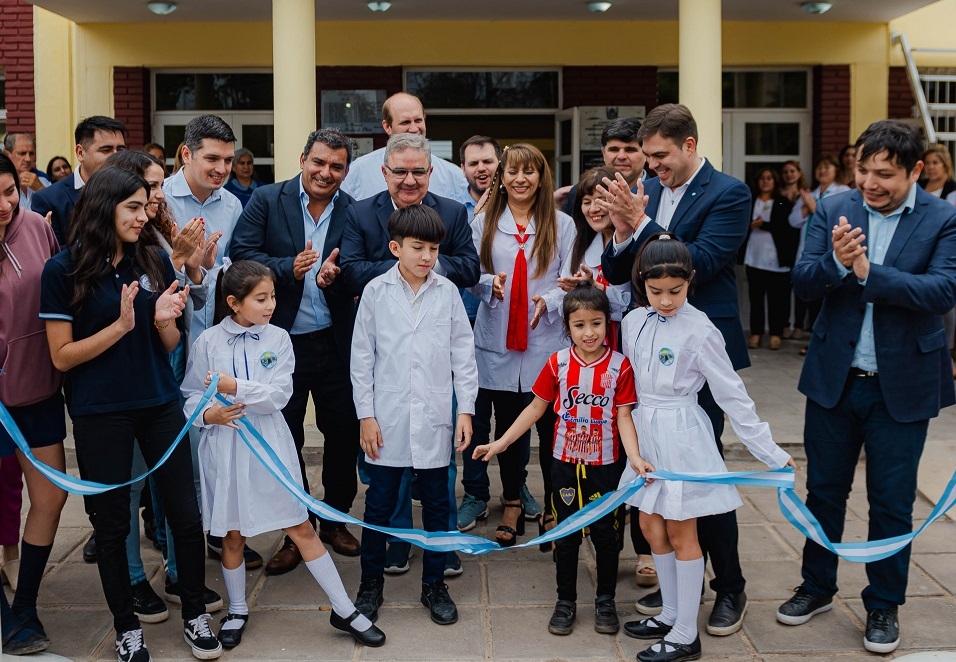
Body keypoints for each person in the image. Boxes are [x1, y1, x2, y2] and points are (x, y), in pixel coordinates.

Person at [776, 119, 956, 654]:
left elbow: (942, 291)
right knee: (823, 493)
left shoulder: (943, 217)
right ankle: (816, 587)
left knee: (892, 503)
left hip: (903, 385)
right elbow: (802, 283)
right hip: (835, 379)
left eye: (885, 174)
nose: (870, 183)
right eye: (863, 170)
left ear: (915, 171)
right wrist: (835, 262)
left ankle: (883, 605)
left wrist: (865, 272)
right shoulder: (834, 208)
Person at [39, 166, 220, 662]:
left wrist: (162, 321)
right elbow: (61, 357)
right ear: (104, 208)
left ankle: (195, 614)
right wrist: (120, 327)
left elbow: (170, 343)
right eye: (134, 207)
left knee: (185, 514)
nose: (145, 216)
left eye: (146, 206)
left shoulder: (154, 259)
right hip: (100, 412)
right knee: (113, 524)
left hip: (159, 402)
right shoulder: (62, 270)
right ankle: (126, 626)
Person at [600, 103, 755, 635]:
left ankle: (729, 586)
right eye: (648, 157)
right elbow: (619, 270)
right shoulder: (647, 190)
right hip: (651, 363)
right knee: (659, 478)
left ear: (689, 145)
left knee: (704, 478)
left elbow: (702, 262)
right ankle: (679, 594)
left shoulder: (729, 193)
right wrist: (623, 231)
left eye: (661, 156)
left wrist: (642, 223)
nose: (652, 166)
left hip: (699, 361)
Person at [181, 260, 386, 649]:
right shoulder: (208, 341)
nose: (271, 305)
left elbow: (279, 395)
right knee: (233, 534)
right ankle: (237, 609)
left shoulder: (278, 339)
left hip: (270, 444)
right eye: (261, 299)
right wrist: (209, 414)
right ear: (234, 302)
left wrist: (234, 386)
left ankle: (344, 609)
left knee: (300, 525)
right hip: (226, 447)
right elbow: (191, 394)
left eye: (273, 296)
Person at [619, 233, 794, 662]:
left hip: (682, 434)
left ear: (690, 281)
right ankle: (670, 612)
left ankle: (685, 634)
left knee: (682, 531)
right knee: (650, 526)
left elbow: (732, 394)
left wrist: (769, 451)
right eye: (656, 291)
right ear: (642, 283)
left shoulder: (701, 329)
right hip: (646, 432)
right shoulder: (633, 321)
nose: (665, 301)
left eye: (675, 291)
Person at [339, 131, 480, 575]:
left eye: (418, 171)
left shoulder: (452, 212)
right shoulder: (361, 212)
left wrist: (426, 262)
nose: (409, 179)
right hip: (389, 356)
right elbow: (351, 271)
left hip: (436, 352)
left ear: (430, 172)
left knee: (441, 466)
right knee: (388, 468)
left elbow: (470, 267)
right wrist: (402, 267)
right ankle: (397, 541)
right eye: (400, 171)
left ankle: (443, 544)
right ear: (385, 172)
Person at [229, 128, 362, 570]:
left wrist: (335, 277)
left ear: (345, 170)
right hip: (279, 343)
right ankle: (295, 527)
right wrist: (289, 267)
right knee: (285, 436)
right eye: (319, 162)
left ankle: (336, 519)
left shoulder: (355, 210)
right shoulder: (267, 199)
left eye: (337, 166)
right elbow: (242, 254)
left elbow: (362, 265)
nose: (326, 172)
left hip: (336, 341)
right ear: (303, 158)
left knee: (343, 433)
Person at [474, 284, 640, 637]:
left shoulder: (620, 367)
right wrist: (501, 443)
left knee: (606, 537)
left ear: (607, 323)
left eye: (596, 323)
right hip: (563, 466)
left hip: (606, 468)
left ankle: (605, 601)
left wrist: (636, 459)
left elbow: (625, 417)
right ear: (567, 327)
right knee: (565, 537)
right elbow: (535, 409)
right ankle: (565, 602)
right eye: (579, 325)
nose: (589, 332)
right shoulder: (557, 363)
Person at [106, 150, 221, 624]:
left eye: (157, 186)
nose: (156, 196)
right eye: (147, 187)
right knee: (132, 486)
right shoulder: (116, 242)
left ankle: (179, 572)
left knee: (181, 482)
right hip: (132, 379)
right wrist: (177, 262)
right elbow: (140, 303)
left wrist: (194, 267)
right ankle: (134, 580)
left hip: (176, 372)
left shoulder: (165, 230)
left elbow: (190, 298)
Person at [349, 205, 478, 627]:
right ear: (395, 248)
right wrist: (366, 416)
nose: (426, 257)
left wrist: (466, 409)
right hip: (386, 418)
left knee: (438, 505)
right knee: (379, 506)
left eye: (434, 249)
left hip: (436, 414)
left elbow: (463, 355)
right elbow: (362, 359)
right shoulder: (376, 292)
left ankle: (434, 585)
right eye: (417, 247)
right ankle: (370, 585)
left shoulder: (447, 293)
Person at [464, 143, 575, 545]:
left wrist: (551, 300)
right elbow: (469, 273)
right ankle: (511, 501)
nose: (520, 178)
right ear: (502, 178)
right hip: (499, 342)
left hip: (546, 342)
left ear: (541, 178)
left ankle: (553, 507)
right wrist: (487, 284)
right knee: (508, 425)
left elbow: (570, 279)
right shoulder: (483, 223)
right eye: (512, 171)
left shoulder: (563, 225)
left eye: (529, 171)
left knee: (551, 430)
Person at [0, 153, 68, 654]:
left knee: (51, 497)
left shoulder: (37, 227)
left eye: (9, 193)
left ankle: (25, 603)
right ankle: (6, 616)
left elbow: (60, 292)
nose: (4, 205)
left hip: (37, 391)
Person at [340, 92, 470, 204]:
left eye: (418, 120)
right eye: (405, 122)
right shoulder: (358, 172)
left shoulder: (453, 175)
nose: (414, 129)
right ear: (387, 127)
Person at [32, 116, 128, 246]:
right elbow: (53, 252)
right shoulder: (49, 200)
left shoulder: (133, 192)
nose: (116, 157)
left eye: (120, 150)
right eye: (106, 150)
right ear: (80, 152)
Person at [788, 154, 850, 353]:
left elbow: (835, 219)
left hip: (831, 254)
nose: (822, 171)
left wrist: (813, 206)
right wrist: (807, 207)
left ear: (836, 171)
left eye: (827, 167)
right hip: (809, 250)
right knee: (811, 299)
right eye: (819, 168)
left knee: (826, 300)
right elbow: (793, 221)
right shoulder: (810, 193)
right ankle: (813, 341)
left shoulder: (843, 192)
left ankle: (822, 342)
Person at [742, 168, 798, 351]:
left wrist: (764, 225)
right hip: (754, 257)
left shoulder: (782, 201)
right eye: (762, 178)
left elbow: (786, 228)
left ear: (775, 181)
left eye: (769, 178)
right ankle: (756, 333)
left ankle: (775, 334)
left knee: (777, 300)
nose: (765, 181)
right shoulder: (751, 201)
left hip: (776, 259)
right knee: (756, 298)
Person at [555, 117, 650, 213]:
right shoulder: (577, 194)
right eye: (614, 150)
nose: (621, 156)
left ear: (646, 154)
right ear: (604, 154)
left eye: (630, 150)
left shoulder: (658, 192)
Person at [3, 133, 50, 212]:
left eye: (31, 153)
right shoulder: (2, 181)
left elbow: (58, 210)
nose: (28, 159)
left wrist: (40, 188)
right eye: (22, 153)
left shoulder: (43, 179)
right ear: (7, 154)